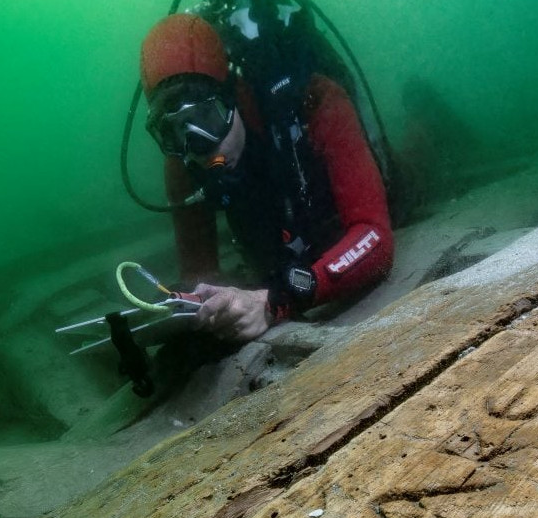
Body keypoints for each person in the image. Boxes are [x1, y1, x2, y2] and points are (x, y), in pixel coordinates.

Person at [139, 9, 394, 343]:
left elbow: (375, 238)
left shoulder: (315, 100)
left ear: (232, 93)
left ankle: (429, 121)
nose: (198, 146)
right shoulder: (183, 162)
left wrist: (278, 300)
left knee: (407, 185)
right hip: (285, 249)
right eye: (171, 131)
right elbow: (199, 273)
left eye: (206, 117)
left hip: (343, 219)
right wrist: (192, 306)